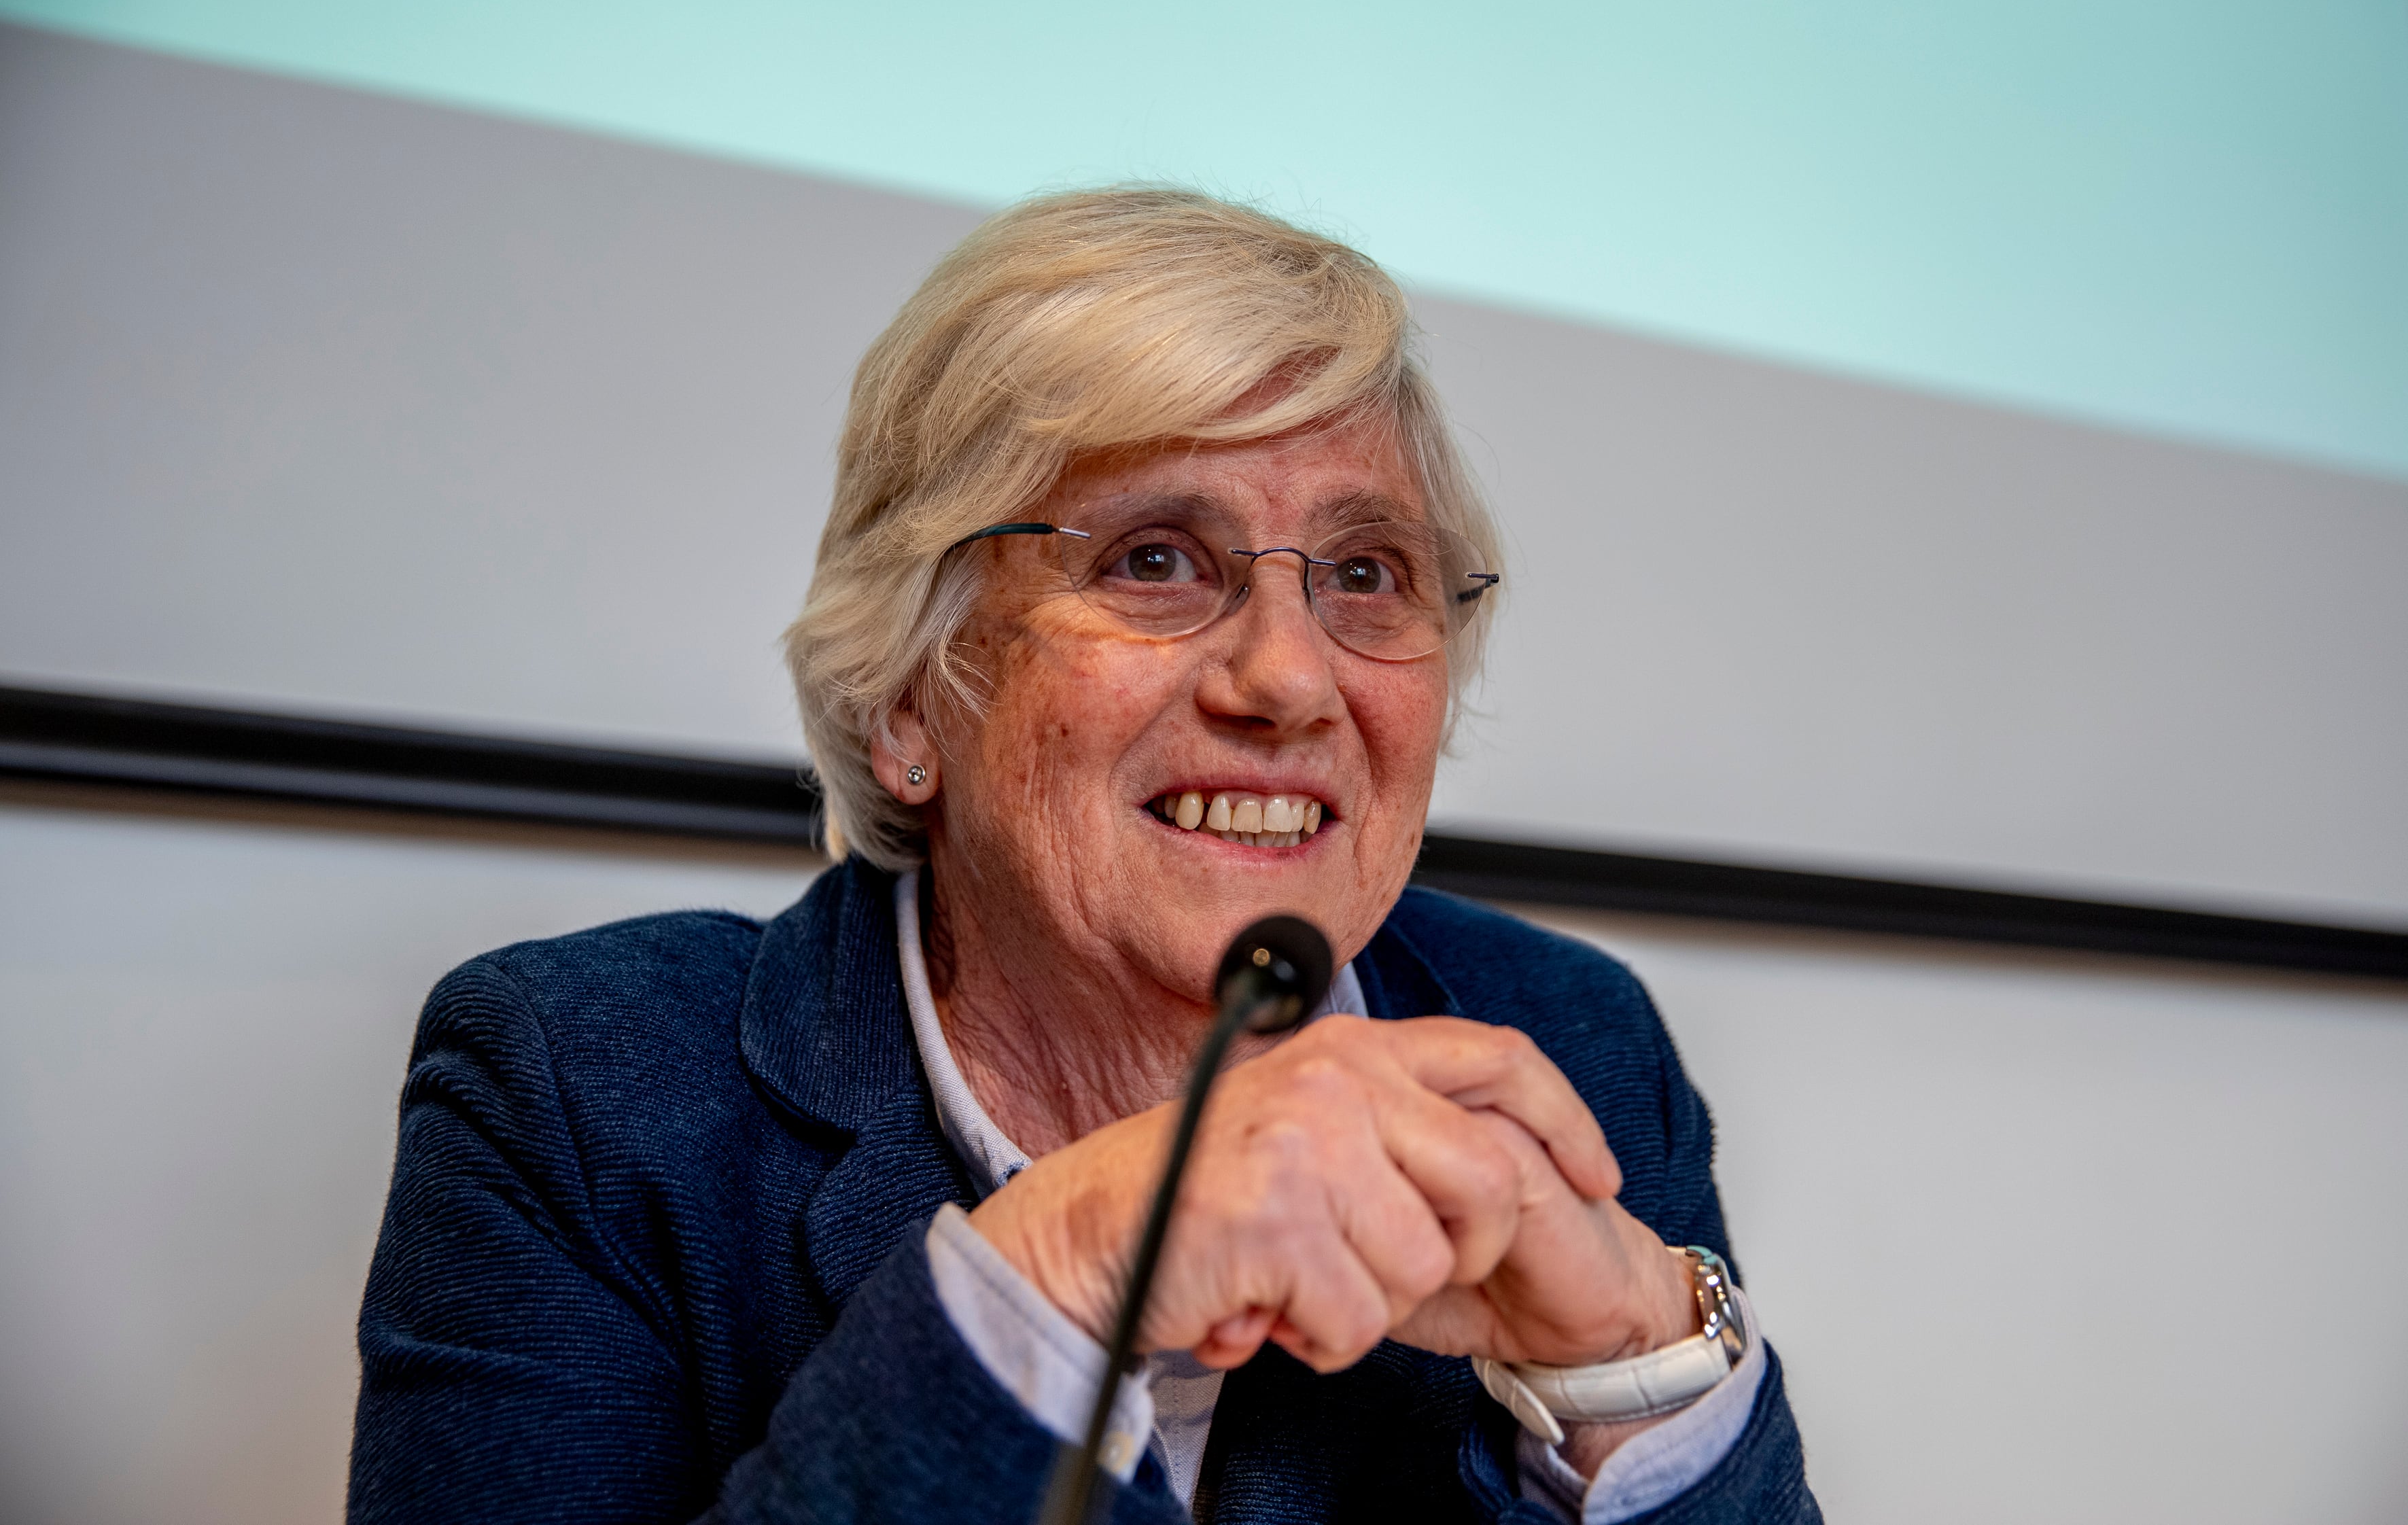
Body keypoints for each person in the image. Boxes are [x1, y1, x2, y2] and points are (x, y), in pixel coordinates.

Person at [348, 188, 1817, 1524]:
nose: (1289, 680)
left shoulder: (1566, 1043)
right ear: (908, 692)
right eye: (1155, 558)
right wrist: (1056, 1277)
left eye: (1366, 573)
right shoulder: (583, 1093)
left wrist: (1634, 1363)